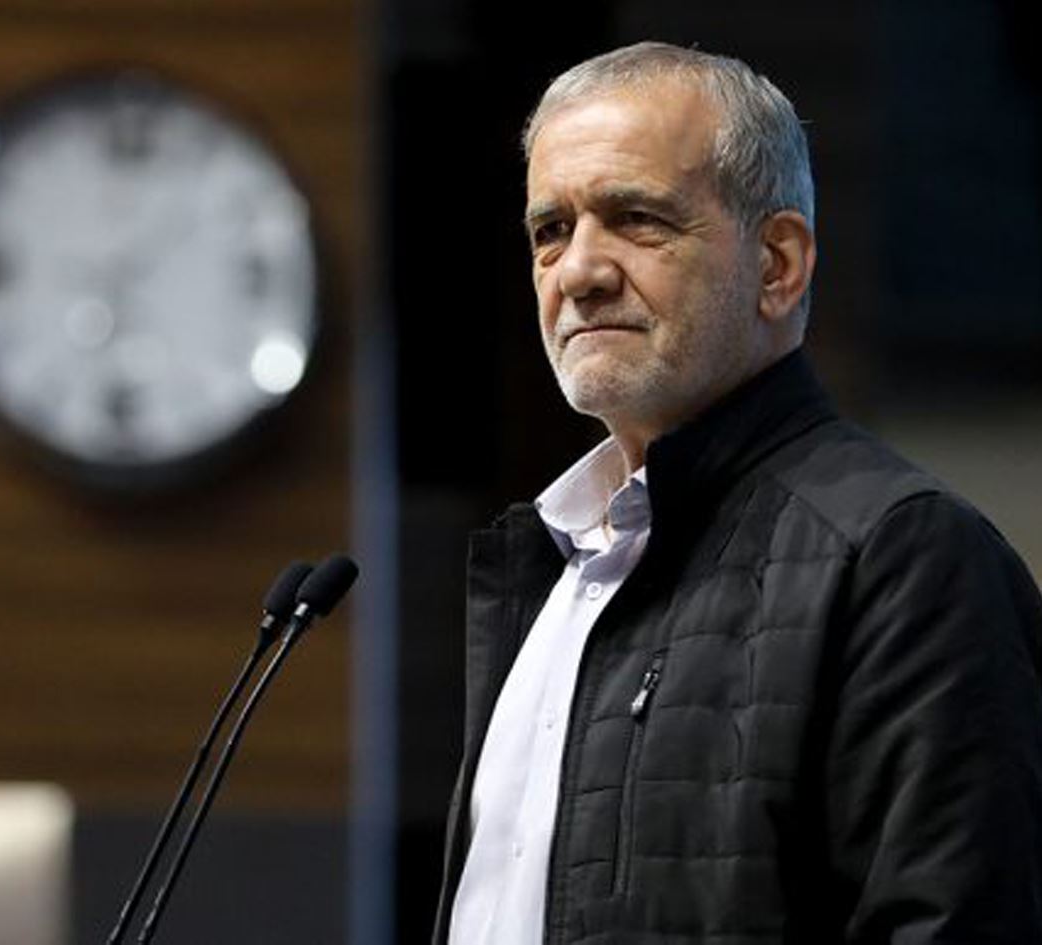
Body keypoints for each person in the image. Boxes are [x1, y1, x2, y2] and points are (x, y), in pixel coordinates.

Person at [433, 42, 1042, 944]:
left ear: (777, 265)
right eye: (551, 229)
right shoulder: (554, 570)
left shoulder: (904, 557)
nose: (579, 271)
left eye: (636, 218)